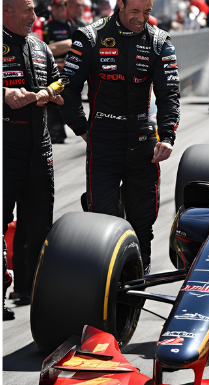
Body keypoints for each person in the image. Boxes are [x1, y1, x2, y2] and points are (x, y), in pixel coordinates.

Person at [59, 0, 181, 274]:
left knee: (143, 219)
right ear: (120, 5)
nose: (141, 19)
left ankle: (141, 273)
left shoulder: (159, 41)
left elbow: (169, 94)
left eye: (147, 12)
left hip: (142, 139)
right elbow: (67, 90)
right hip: (103, 138)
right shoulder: (89, 36)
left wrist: (168, 136)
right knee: (103, 218)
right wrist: (81, 128)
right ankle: (103, 280)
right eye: (135, 12)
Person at [3, 0, 65, 304]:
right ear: (7, 10)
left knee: (39, 222)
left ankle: (28, 288)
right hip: (5, 147)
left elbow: (59, 79)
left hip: (39, 148)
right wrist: (5, 93)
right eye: (28, 10)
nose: (34, 16)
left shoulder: (40, 48)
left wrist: (52, 90)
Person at [43, 0, 78, 143]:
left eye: (61, 7)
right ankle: (57, 133)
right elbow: (42, 48)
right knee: (53, 100)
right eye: (55, 8)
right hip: (52, 68)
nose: (58, 11)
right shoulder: (47, 26)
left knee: (72, 101)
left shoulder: (72, 25)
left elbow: (76, 46)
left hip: (70, 68)